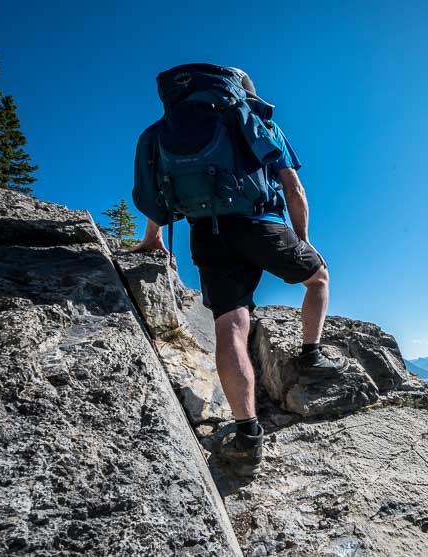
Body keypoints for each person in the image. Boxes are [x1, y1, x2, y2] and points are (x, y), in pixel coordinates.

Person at [133, 66, 345, 477]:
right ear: (241, 91)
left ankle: (248, 435)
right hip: (259, 224)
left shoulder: (160, 132)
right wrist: (301, 239)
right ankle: (310, 356)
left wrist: (152, 237)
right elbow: (292, 186)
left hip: (205, 231)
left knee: (231, 325)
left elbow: (154, 195)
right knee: (317, 277)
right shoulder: (251, 119)